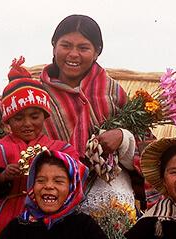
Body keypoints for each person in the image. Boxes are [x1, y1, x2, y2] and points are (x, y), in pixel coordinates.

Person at [38, 14, 145, 221]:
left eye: (83, 48)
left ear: (97, 52)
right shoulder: (37, 95)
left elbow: (145, 149)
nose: (73, 54)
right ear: (53, 46)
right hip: (53, 200)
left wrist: (123, 138)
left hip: (110, 201)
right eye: (66, 45)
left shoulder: (112, 92)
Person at [0, 56, 79, 239]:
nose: (27, 124)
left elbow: (76, 181)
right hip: (4, 221)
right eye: (18, 118)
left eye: (34, 116)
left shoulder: (63, 150)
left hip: (51, 218)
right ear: (7, 120)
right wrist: (2, 176)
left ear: (45, 116)